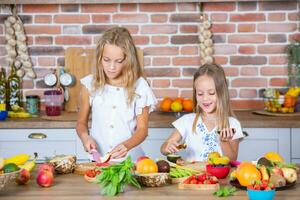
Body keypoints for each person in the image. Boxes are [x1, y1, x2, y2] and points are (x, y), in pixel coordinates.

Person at [76, 27, 157, 162]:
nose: (111, 67)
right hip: (98, 159)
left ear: (128, 59)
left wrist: (127, 145)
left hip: (130, 161)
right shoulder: (90, 84)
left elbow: (142, 130)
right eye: (106, 60)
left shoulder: (140, 86)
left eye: (118, 61)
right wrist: (85, 137)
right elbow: (81, 123)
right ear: (99, 58)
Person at [160, 64, 244, 162]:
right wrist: (168, 147)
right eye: (200, 94)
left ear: (222, 93)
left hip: (220, 177)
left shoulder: (232, 124)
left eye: (211, 93)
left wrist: (224, 142)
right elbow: (163, 149)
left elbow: (232, 160)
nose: (205, 98)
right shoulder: (187, 121)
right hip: (193, 176)